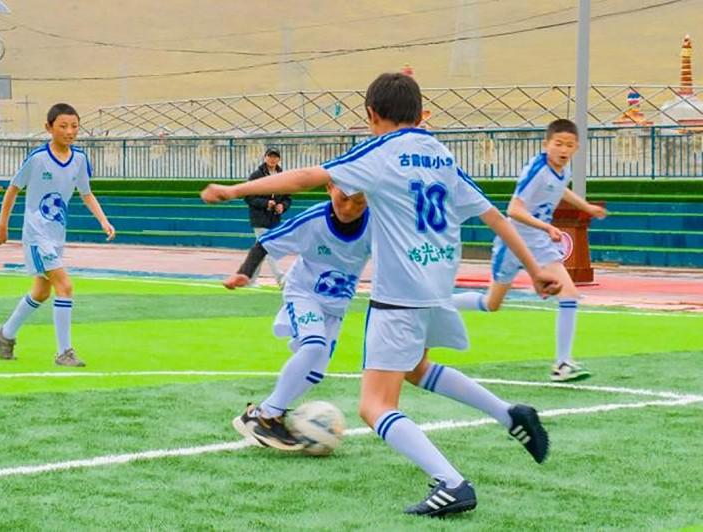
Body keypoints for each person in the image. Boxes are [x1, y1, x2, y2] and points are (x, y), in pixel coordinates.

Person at [202, 73, 562, 519]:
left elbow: (308, 177)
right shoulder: (442, 156)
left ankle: (451, 483)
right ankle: (510, 414)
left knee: (374, 406)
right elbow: (495, 217)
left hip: (400, 295)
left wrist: (234, 190)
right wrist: (535, 269)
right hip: (437, 286)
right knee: (415, 368)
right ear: (422, 114)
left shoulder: (382, 151)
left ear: (372, 115)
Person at [451, 119, 607, 382]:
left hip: (540, 244)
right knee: (491, 304)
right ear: (546, 144)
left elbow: (561, 190)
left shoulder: (562, 170)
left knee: (569, 293)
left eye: (569, 145)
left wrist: (586, 207)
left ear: (577, 148)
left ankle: (562, 364)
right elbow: (514, 210)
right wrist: (546, 227)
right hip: (513, 241)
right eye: (558, 144)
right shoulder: (537, 171)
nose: (563, 150)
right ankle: (439, 304)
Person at [228, 182, 370, 450]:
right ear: (329, 188)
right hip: (303, 293)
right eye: (343, 198)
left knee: (315, 373)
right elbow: (264, 243)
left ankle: (270, 413)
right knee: (313, 345)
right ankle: (264, 416)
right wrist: (245, 273)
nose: (349, 208)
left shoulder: (377, 224)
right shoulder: (313, 221)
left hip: (336, 307)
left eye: (359, 201)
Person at [0, 103, 116, 367]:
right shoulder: (37, 158)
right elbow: (13, 189)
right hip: (36, 235)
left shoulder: (79, 159)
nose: (70, 131)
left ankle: (5, 335)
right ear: (48, 128)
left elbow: (86, 193)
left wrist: (104, 221)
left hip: (57, 234)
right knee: (65, 286)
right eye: (63, 126)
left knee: (40, 292)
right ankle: (64, 352)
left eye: (74, 126)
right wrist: (2, 225)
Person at [244, 147, 291, 286]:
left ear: (279, 159)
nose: (272, 159)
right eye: (270, 156)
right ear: (265, 158)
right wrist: (266, 203)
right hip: (259, 218)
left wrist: (282, 206)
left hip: (274, 219)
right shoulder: (256, 175)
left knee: (260, 250)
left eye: (275, 156)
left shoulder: (283, 176)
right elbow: (248, 197)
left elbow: (287, 198)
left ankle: (249, 279)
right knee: (269, 248)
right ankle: (281, 280)